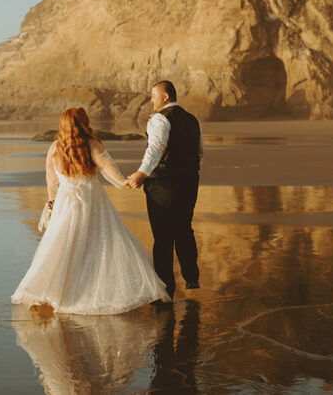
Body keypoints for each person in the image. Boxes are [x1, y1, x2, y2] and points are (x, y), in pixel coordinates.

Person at [12, 107, 169, 314]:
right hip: (92, 202)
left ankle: (53, 292)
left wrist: (51, 203)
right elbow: (108, 168)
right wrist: (125, 182)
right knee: (102, 246)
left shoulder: (55, 148)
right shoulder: (92, 144)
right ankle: (93, 291)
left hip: (65, 204)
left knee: (61, 248)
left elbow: (51, 180)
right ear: (82, 123)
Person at [126, 80, 203, 298]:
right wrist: (190, 172)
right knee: (184, 227)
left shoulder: (159, 119)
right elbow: (200, 151)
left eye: (153, 95)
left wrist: (142, 173)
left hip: (162, 183)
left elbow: (155, 149)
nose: (151, 99)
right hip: (189, 181)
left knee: (163, 236)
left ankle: (164, 287)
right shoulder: (192, 120)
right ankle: (191, 276)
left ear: (165, 97)